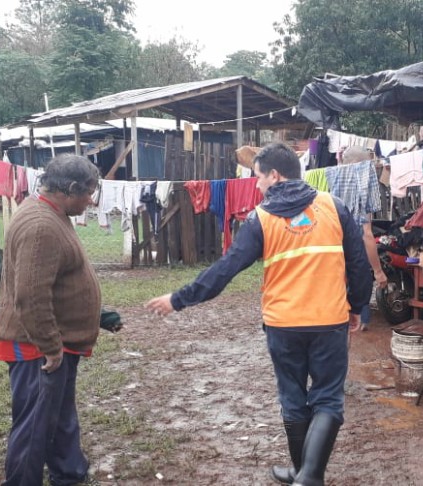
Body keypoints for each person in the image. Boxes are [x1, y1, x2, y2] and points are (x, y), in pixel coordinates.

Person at [146, 143, 372, 486]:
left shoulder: (261, 219)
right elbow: (359, 265)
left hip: (284, 326)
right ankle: (306, 475)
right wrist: (356, 306)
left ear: (275, 176)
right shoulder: (333, 207)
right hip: (329, 321)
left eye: (258, 177)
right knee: (327, 398)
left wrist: (178, 299)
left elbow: (225, 269)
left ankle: (305, 475)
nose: (256, 185)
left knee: (294, 399)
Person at [0, 154, 102, 486]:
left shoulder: (51, 213)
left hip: (52, 342)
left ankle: (69, 473)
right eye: (89, 193)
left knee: (57, 416)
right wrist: (51, 347)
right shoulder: (41, 226)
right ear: (70, 189)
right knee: (35, 426)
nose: (91, 200)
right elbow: (30, 295)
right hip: (37, 347)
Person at [338, 146, 387, 329]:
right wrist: (378, 271)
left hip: (331, 250)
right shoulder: (362, 189)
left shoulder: (329, 181)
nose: (372, 171)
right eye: (368, 165)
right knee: (360, 280)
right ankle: (360, 321)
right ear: (357, 165)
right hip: (354, 252)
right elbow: (367, 234)